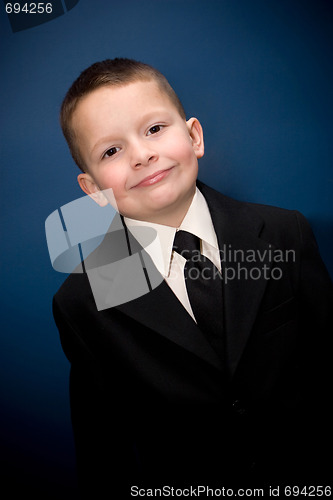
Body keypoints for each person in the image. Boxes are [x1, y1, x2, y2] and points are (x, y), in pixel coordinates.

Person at [53, 58, 333, 498]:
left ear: (194, 137)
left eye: (154, 129)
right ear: (94, 191)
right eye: (112, 151)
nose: (142, 154)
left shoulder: (284, 233)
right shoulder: (84, 301)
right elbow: (103, 447)